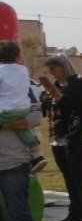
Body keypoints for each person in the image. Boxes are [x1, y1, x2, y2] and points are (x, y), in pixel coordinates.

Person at [38, 54, 82, 221]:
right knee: (68, 175)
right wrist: (48, 95)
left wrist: (57, 95)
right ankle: (74, 213)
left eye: (53, 69)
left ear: (63, 67)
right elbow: (47, 109)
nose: (52, 73)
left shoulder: (81, 84)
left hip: (77, 134)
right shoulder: (55, 86)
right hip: (58, 136)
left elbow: (80, 107)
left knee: (80, 176)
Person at [0, 102, 51, 221]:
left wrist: (3, 123)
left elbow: (35, 117)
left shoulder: (20, 89)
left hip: (12, 162)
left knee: (20, 212)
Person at [0, 41, 46, 173]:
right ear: (17, 56)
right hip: (23, 109)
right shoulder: (23, 70)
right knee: (23, 131)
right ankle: (37, 155)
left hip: (7, 111)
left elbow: (36, 118)